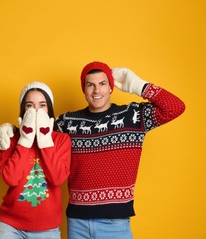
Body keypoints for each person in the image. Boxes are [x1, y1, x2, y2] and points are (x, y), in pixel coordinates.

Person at [55, 61, 185, 239]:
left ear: (111, 87)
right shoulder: (67, 122)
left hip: (114, 223)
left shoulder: (133, 116)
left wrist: (137, 85)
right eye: (90, 85)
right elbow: (36, 135)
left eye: (102, 84)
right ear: (83, 89)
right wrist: (12, 131)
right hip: (77, 222)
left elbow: (175, 107)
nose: (96, 91)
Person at [0, 81, 71, 239]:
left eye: (42, 105)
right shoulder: (9, 138)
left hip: (47, 229)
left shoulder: (61, 140)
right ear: (23, 110)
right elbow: (11, 178)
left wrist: (44, 139)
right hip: (10, 226)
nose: (36, 111)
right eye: (30, 105)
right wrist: (25, 139)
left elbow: (57, 179)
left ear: (49, 109)